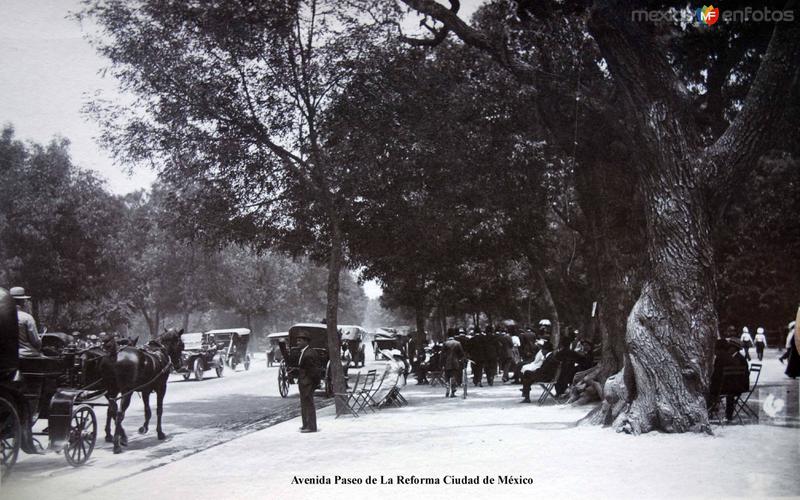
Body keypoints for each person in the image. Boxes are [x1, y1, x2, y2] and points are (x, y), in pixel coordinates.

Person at [708, 338, 749, 421]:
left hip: (735, 386)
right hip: (734, 385)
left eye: (730, 347)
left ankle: (711, 410)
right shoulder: (732, 358)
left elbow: (716, 375)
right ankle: (721, 412)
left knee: (709, 390)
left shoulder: (725, 358)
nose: (728, 349)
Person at [296, 331, 320, 433]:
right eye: (297, 340)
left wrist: (312, 383)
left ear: (306, 341)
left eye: (300, 341)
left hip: (307, 383)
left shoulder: (308, 354)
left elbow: (313, 371)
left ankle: (311, 427)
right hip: (305, 382)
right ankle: (306, 424)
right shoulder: (306, 352)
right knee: (305, 404)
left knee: (309, 404)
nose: (298, 343)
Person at [11, 286, 41, 357]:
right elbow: (36, 342)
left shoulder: (3, 317)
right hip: (25, 355)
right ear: (22, 301)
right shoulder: (27, 318)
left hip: (8, 355)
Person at [443, 333, 465, 398]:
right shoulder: (457, 343)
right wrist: (462, 359)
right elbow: (461, 353)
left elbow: (442, 354)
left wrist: (441, 363)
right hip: (455, 362)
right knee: (454, 376)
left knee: (447, 375)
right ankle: (453, 391)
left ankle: (447, 384)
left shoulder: (445, 343)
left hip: (447, 362)